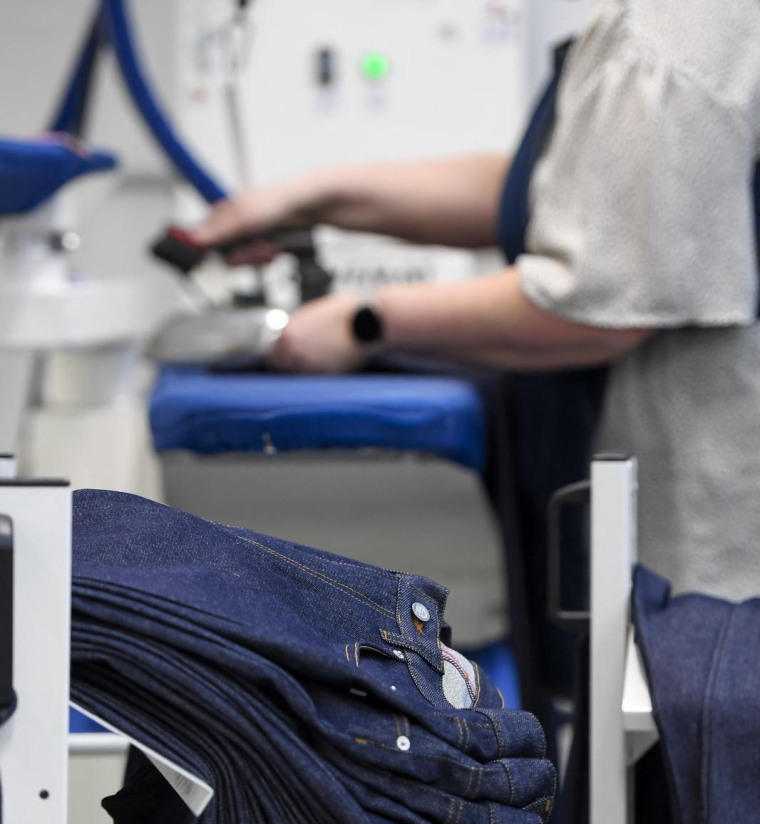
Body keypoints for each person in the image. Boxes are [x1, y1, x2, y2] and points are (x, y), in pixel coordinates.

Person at [192, 0, 760, 601]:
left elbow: (594, 308)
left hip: (707, 551)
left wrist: (365, 322)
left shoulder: (679, 32)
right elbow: (559, 192)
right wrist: (310, 199)